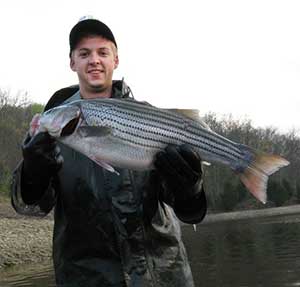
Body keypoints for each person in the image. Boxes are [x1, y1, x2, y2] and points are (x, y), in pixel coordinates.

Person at [11, 17, 207, 287]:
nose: (94, 60)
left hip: (163, 277)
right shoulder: (48, 130)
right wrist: (31, 177)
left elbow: (190, 214)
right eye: (84, 53)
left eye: (103, 52)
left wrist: (191, 189)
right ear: (72, 62)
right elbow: (30, 209)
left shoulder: (152, 119)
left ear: (116, 60)